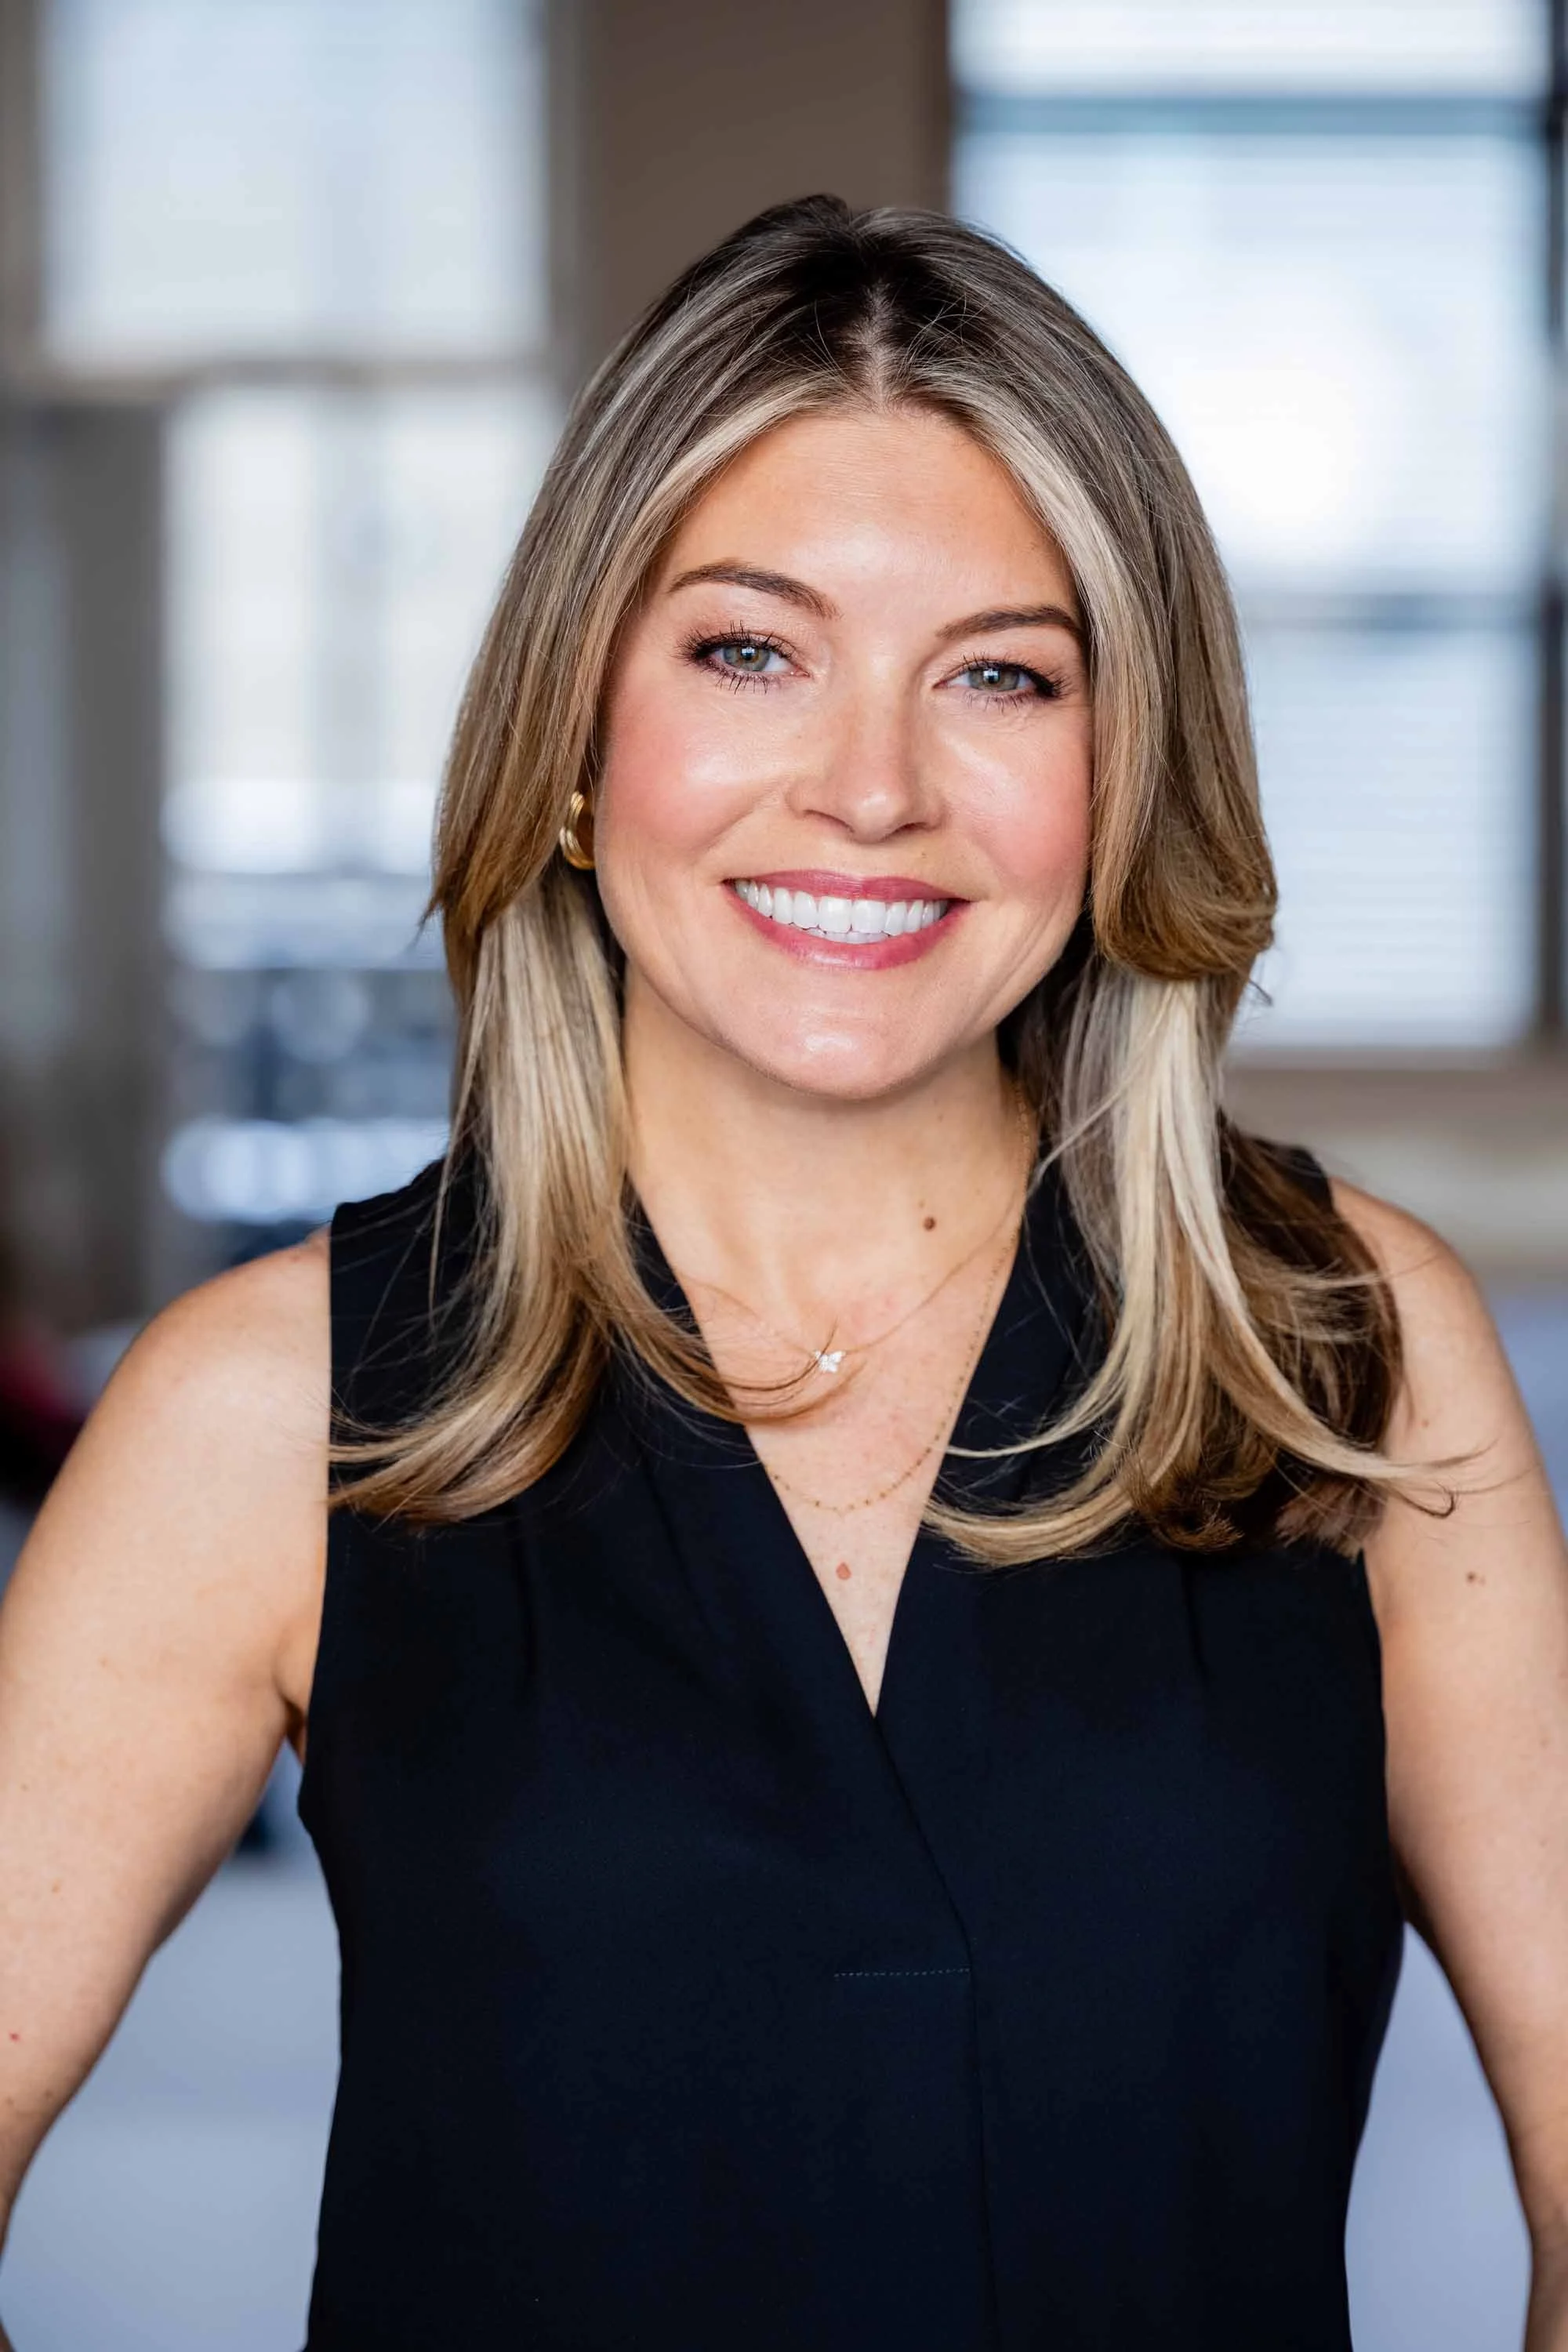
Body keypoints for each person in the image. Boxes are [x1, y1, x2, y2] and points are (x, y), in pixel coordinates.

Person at [1, 194, 1564, 2351]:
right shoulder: (266, 1406)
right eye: (752, 650)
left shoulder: (1344, 1351)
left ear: (1123, 784)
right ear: (570, 742)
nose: (871, 789)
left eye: (1003, 677)